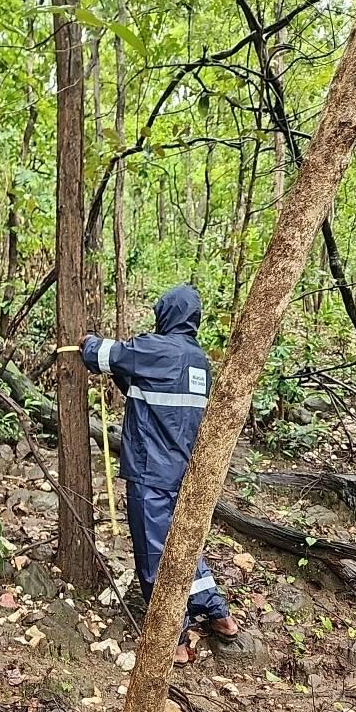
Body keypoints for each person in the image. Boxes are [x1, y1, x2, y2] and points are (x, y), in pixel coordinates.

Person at [80, 283, 238, 665]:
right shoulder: (199, 361)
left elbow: (104, 354)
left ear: (166, 314)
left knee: (153, 553)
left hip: (151, 471)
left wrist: (87, 343)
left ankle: (173, 637)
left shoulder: (155, 349)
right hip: (185, 472)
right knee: (183, 545)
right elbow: (144, 385)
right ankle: (216, 611)